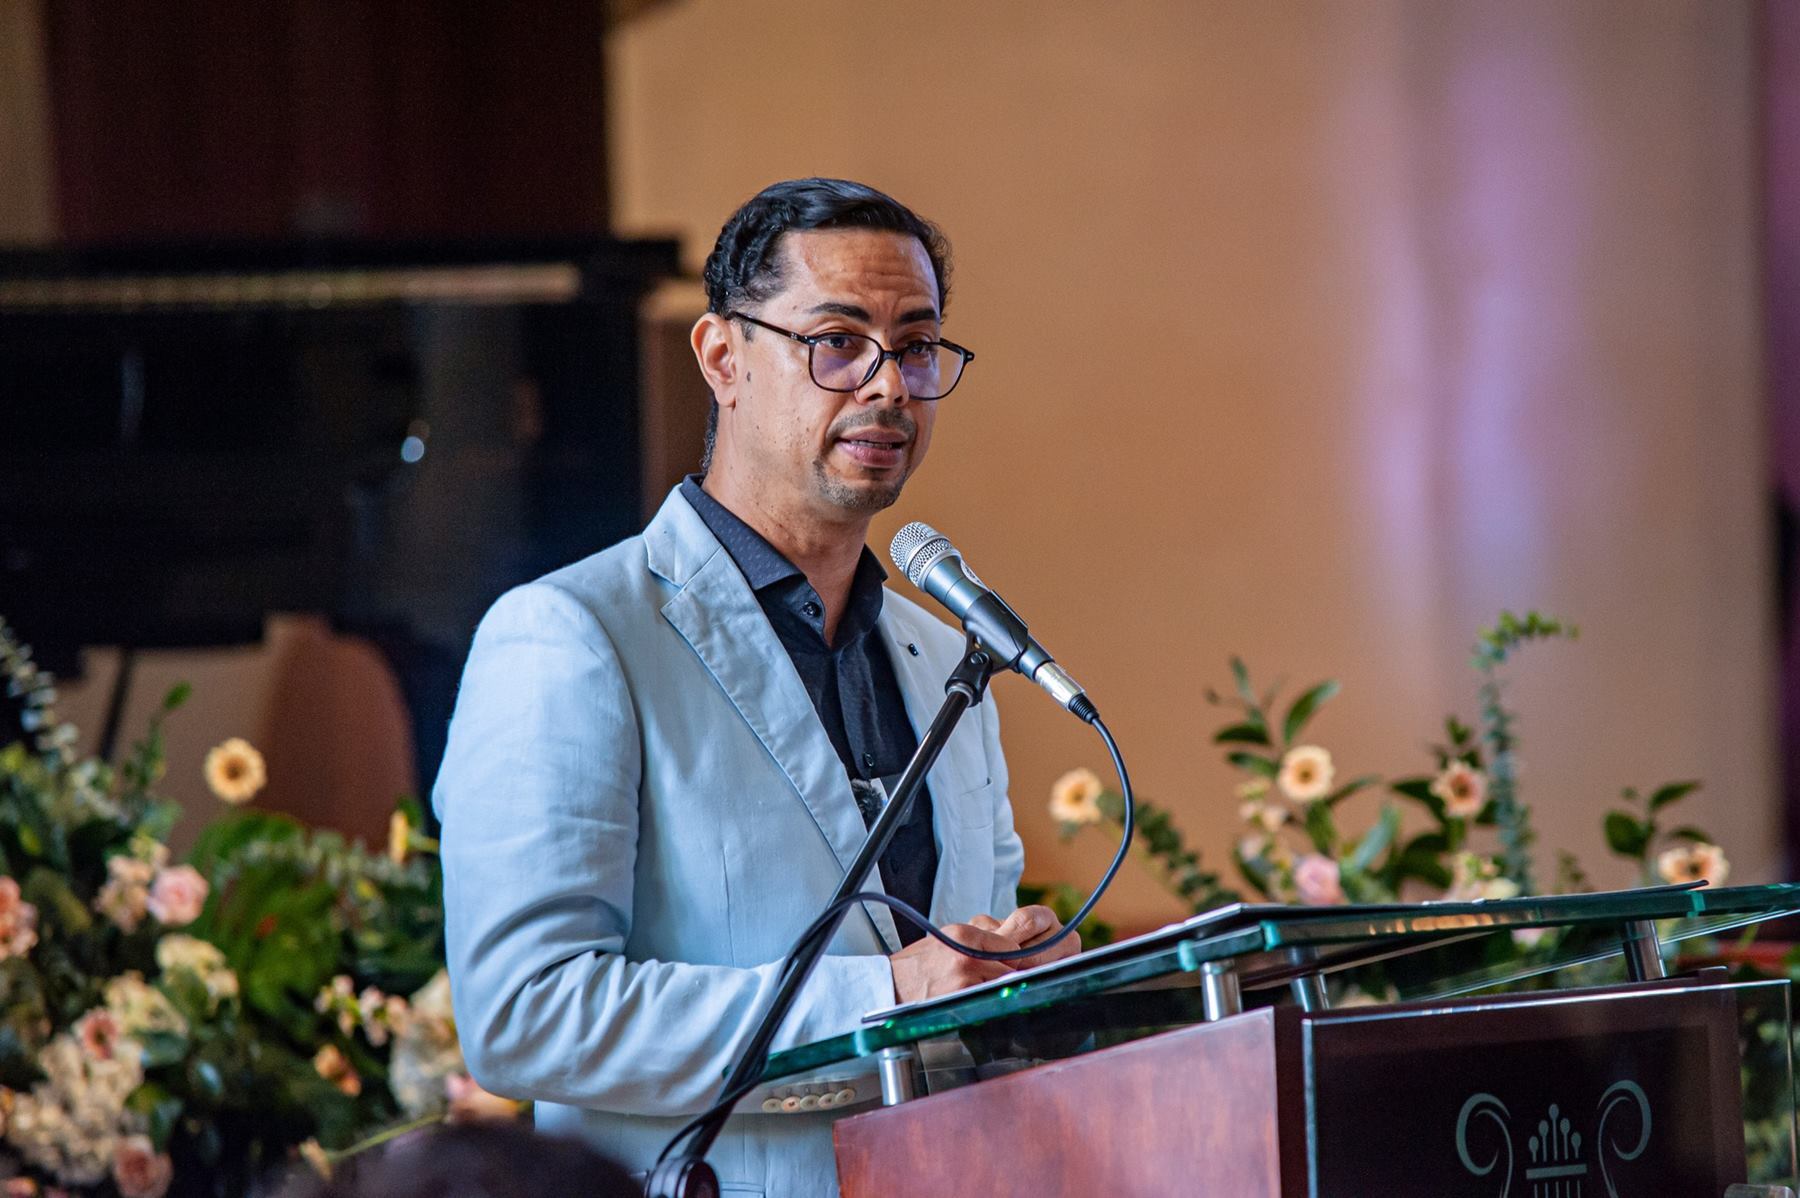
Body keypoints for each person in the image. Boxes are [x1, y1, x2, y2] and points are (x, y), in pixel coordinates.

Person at [434, 178, 1076, 1197]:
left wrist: (1028, 986)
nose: (889, 386)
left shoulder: (947, 658)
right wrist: (884, 994)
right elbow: (525, 1014)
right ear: (723, 359)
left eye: (916, 346)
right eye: (838, 341)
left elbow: (957, 997)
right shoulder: (573, 634)